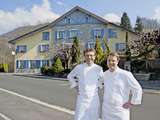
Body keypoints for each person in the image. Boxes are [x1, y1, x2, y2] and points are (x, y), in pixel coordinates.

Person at [102, 52, 142, 120]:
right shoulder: (104, 75)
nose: (111, 62)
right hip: (106, 110)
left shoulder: (125, 74)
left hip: (120, 110)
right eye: (109, 60)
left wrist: (132, 102)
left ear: (117, 61)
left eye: (113, 60)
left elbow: (137, 88)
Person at [67, 48, 103, 120]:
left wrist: (98, 87)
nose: (89, 57)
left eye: (91, 55)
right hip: (82, 99)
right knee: (80, 117)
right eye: (87, 55)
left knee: (94, 117)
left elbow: (102, 79)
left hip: (94, 99)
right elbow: (70, 76)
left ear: (94, 56)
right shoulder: (79, 67)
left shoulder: (98, 68)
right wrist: (76, 87)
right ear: (84, 56)